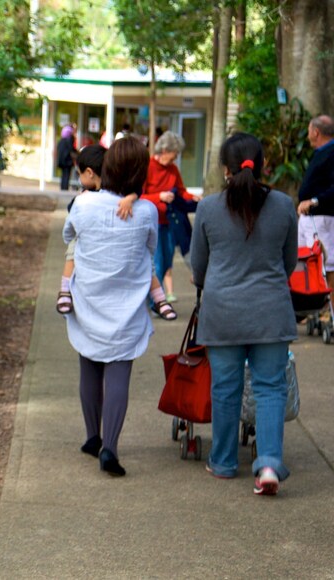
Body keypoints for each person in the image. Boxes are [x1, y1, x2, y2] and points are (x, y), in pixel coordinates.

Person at [189, 132, 297, 496]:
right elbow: (289, 261)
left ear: (225, 169)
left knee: (225, 388)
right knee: (269, 389)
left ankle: (222, 462)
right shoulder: (283, 205)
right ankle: (268, 464)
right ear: (262, 165)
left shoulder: (207, 208)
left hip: (222, 312)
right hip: (271, 312)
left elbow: (198, 269)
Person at [62, 137, 157, 477]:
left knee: (89, 366)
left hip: (89, 299)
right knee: (118, 373)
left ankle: (92, 436)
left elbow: (67, 236)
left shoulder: (83, 205)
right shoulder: (147, 212)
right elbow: (151, 247)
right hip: (126, 306)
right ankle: (110, 448)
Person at [56, 145, 175, 321]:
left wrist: (130, 198)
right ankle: (64, 290)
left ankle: (159, 298)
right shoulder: (87, 198)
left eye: (79, 173)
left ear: (89, 172)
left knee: (146, 261)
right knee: (145, 260)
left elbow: (67, 233)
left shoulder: (87, 200)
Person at [141, 131, 201, 304]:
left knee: (167, 262)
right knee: (157, 263)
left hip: (170, 222)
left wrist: (194, 198)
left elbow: (182, 192)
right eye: (175, 153)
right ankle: (155, 303)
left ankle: (153, 300)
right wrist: (159, 196)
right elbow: (139, 196)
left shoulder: (173, 169)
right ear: (166, 149)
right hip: (153, 223)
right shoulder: (148, 166)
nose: (176, 157)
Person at [295, 115, 334, 289]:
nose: (308, 135)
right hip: (308, 218)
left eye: (310, 131)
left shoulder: (332, 152)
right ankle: (311, 309)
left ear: (316, 132)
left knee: (328, 267)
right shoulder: (321, 152)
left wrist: (314, 201)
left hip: (322, 217)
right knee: (301, 263)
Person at [56, 124, 77, 191]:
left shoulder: (61, 141)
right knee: (66, 174)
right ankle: (65, 188)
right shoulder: (69, 140)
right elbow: (71, 149)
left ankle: (63, 187)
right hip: (67, 160)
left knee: (63, 175)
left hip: (62, 160)